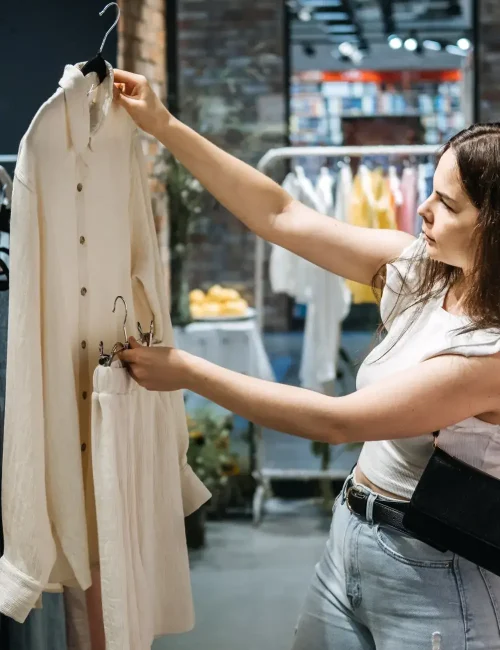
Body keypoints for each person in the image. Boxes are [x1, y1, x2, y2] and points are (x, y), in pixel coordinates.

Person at [114, 69, 500, 649]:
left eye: (446, 204)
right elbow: (281, 215)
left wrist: (189, 371)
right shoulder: (425, 273)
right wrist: (163, 124)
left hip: (436, 574)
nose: (421, 210)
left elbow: (337, 420)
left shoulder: (490, 350)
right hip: (351, 536)